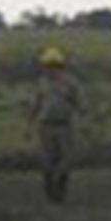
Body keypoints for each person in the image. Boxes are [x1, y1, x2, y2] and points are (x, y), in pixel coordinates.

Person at [27, 46, 82, 203]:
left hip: (64, 126)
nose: (50, 70)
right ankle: (50, 193)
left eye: (53, 67)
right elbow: (35, 105)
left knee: (65, 160)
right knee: (47, 161)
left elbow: (79, 103)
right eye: (47, 67)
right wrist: (29, 125)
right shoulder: (41, 84)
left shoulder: (71, 83)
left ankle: (61, 192)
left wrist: (84, 120)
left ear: (60, 67)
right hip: (46, 126)